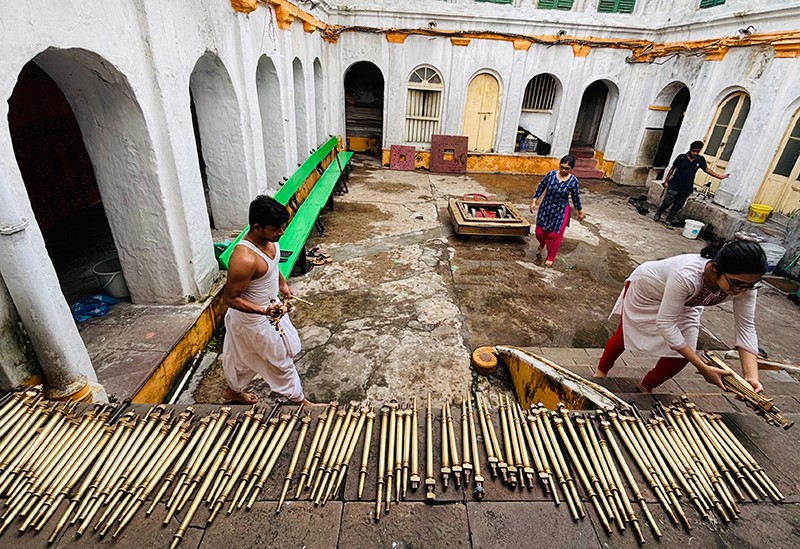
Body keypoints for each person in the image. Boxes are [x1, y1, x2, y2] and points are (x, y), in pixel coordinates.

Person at [593, 240, 766, 394]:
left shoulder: (745, 287)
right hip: (648, 290)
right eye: (736, 283)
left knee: (684, 352)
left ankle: (646, 385)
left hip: (688, 301)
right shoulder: (687, 275)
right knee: (627, 332)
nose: (741, 290)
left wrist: (751, 377)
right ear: (715, 268)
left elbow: (746, 327)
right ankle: (601, 372)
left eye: (749, 286)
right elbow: (666, 323)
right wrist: (702, 367)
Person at [221, 195, 314, 405]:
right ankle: (300, 401)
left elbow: (272, 266)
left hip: (269, 311)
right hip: (254, 321)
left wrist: (282, 284)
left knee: (242, 358)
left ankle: (232, 391)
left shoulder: (268, 238)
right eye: (276, 229)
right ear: (257, 227)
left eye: (282, 227)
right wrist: (264, 311)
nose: (281, 233)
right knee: (281, 360)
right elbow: (230, 298)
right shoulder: (244, 259)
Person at [654, 140, 729, 228]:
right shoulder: (681, 158)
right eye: (693, 151)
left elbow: (706, 170)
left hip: (687, 186)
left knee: (678, 204)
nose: (695, 153)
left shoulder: (700, 160)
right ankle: (659, 212)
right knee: (668, 201)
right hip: (675, 184)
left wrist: (719, 176)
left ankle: (669, 219)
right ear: (690, 149)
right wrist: (666, 181)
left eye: (697, 151)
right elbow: (672, 169)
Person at [529, 155, 585, 267]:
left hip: (560, 210)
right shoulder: (550, 175)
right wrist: (534, 201)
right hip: (546, 207)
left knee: (554, 235)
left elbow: (575, 197)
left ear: (571, 169)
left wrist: (580, 211)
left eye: (567, 168)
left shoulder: (573, 181)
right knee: (540, 232)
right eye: (562, 167)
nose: (563, 170)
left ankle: (550, 256)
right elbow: (540, 187)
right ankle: (542, 243)